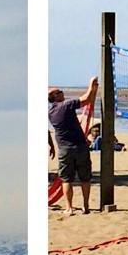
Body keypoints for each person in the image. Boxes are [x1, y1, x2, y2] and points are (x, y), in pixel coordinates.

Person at [48, 76, 99, 216]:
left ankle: (69, 208)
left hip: (65, 149)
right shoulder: (66, 105)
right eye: (60, 92)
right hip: (79, 147)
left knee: (67, 179)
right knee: (84, 178)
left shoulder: (51, 113)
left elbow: (73, 118)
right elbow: (86, 99)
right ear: (54, 96)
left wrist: (93, 90)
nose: (62, 93)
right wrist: (91, 84)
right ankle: (85, 206)